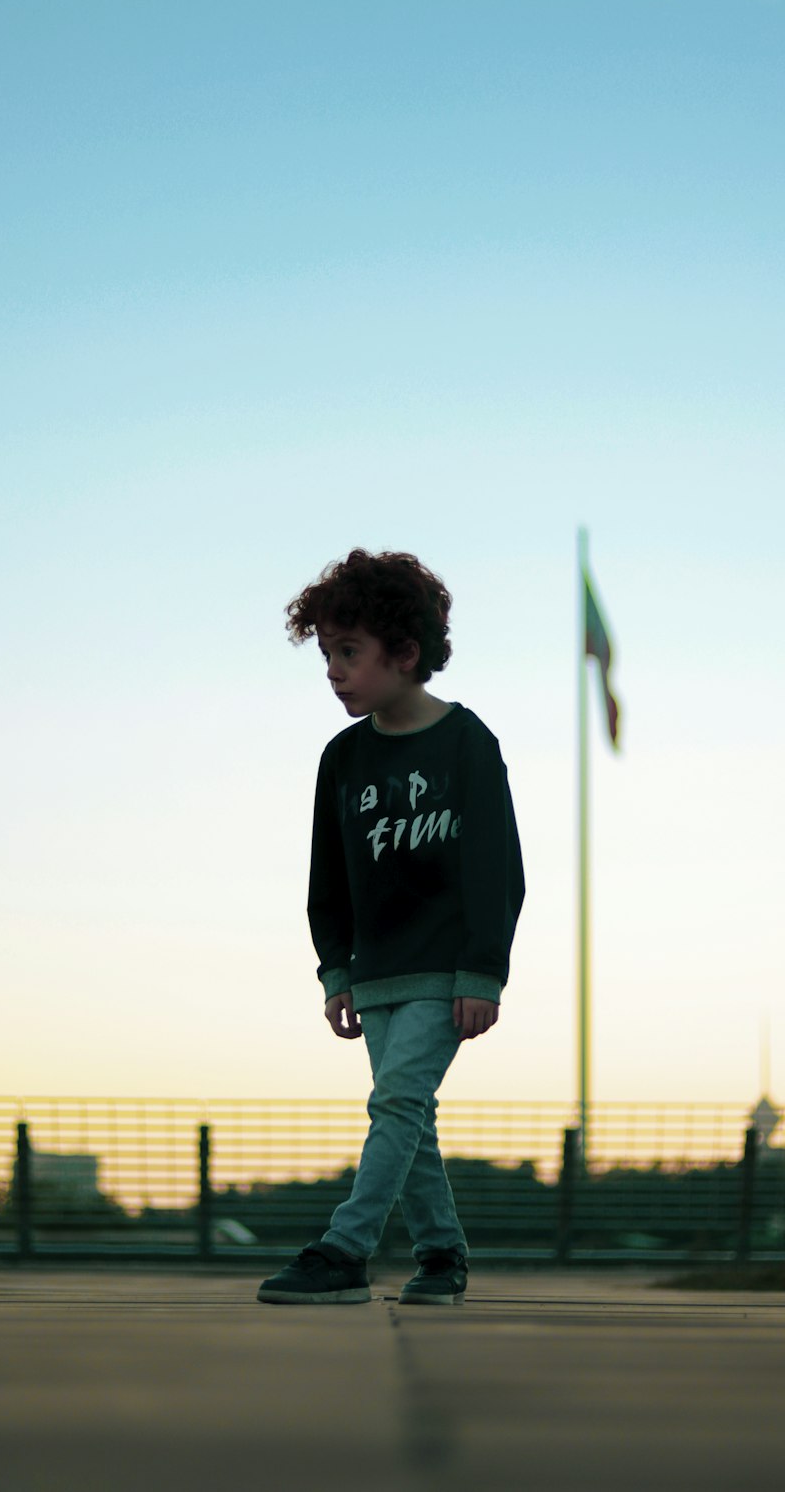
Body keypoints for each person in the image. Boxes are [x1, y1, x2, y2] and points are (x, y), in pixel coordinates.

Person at [257, 549, 524, 1306]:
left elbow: (496, 869)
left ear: (403, 653)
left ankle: (345, 1249)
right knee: (412, 1119)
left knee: (397, 1104)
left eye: (349, 652)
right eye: (327, 655)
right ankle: (442, 1253)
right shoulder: (341, 761)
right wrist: (334, 969)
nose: (334, 671)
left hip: (447, 972)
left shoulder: (467, 744)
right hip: (374, 974)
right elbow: (327, 877)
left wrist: (482, 971)